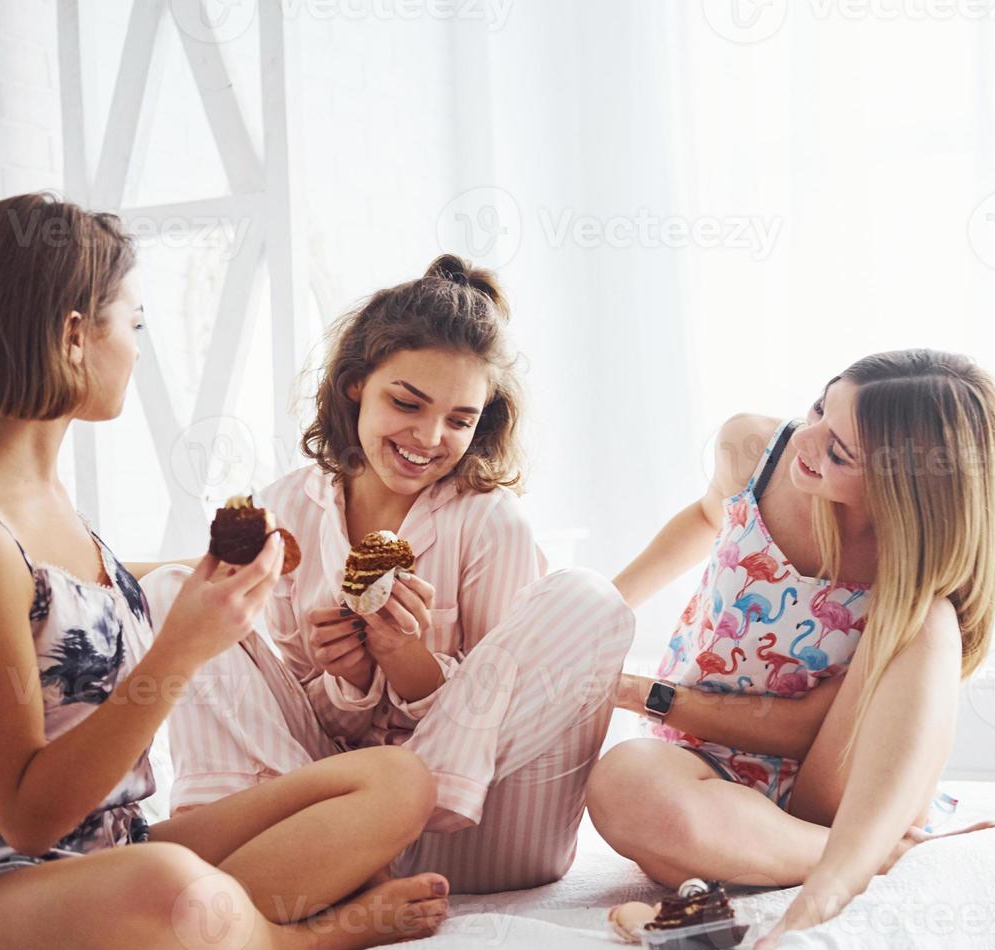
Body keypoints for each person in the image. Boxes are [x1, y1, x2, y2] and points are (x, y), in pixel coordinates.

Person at [0, 193, 448, 950]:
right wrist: (179, 648)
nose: (138, 348)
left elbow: (57, 599)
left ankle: (209, 926)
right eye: (132, 324)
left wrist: (206, 575)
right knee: (170, 887)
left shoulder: (35, 492)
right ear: (74, 336)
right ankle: (305, 936)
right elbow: (29, 819)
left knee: (395, 779)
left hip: (105, 851)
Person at [155, 254, 636, 894]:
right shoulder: (291, 508)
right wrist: (349, 679)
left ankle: (382, 819)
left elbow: (505, 719)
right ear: (356, 383)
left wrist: (409, 658)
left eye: (460, 420)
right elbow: (315, 734)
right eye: (407, 403)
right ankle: (276, 834)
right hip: (338, 816)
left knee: (590, 597)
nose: (429, 436)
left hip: (478, 831)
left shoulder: (490, 522)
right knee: (169, 591)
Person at [587, 350, 995, 946]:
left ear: (905, 486)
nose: (804, 441)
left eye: (838, 449)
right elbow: (711, 515)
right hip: (703, 765)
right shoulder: (755, 450)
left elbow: (804, 732)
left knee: (931, 619)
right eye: (819, 407)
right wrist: (593, 610)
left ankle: (834, 874)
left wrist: (639, 694)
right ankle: (877, 853)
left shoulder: (908, 573)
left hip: (832, 785)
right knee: (622, 783)